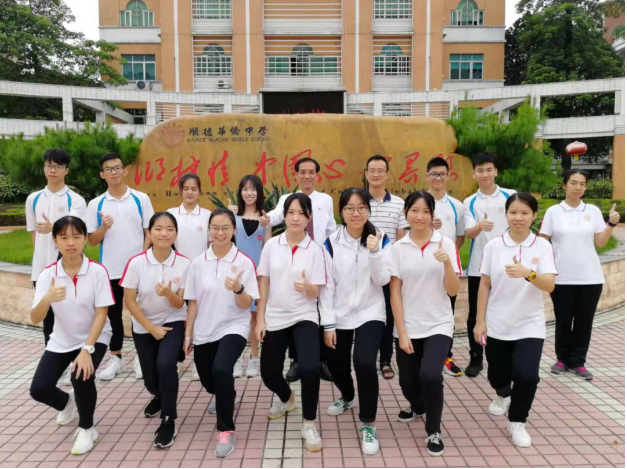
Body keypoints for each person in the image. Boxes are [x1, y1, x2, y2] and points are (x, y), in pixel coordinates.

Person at [474, 193, 557, 448]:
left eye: (524, 213)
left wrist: (528, 273)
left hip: (529, 324)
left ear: (534, 216)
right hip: (497, 323)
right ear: (506, 215)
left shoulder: (542, 246)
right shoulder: (494, 246)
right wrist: (479, 321)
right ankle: (502, 394)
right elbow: (484, 285)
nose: (518, 217)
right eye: (513, 212)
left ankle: (517, 420)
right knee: (497, 374)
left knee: (527, 375)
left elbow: (549, 285)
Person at [29, 216, 113, 455]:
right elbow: (35, 317)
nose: (70, 242)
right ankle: (67, 403)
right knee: (39, 389)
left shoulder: (97, 271)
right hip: (62, 339)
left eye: (76, 236)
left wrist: (87, 349)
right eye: (64, 237)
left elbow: (102, 314)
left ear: (86, 239)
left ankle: (87, 428)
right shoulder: (47, 275)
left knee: (81, 376)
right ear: (55, 241)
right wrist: (47, 299)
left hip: (95, 336)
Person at [183, 208, 260, 458]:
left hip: (234, 326)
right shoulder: (198, 263)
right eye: (215, 228)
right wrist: (188, 335)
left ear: (234, 230)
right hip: (205, 329)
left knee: (221, 369)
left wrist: (238, 288)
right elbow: (193, 302)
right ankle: (227, 394)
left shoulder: (243, 262)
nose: (220, 233)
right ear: (209, 231)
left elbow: (247, 304)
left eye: (225, 228)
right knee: (209, 380)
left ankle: (226, 430)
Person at [320, 188, 391, 456]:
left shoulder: (380, 238)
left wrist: (374, 252)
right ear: (341, 212)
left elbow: (383, 280)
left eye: (361, 207)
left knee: (364, 362)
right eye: (349, 208)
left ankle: (368, 423)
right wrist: (328, 324)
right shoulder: (330, 243)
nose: (356, 213)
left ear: (368, 210)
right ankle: (348, 396)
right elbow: (326, 286)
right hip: (339, 314)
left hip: (370, 312)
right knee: (336, 365)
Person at [390, 191, 461, 457]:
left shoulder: (445, 244)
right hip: (408, 325)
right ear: (406, 213)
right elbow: (395, 293)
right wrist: (402, 332)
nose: (419, 216)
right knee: (407, 383)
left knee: (430, 375)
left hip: (438, 323)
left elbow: (453, 290)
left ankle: (433, 430)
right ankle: (418, 406)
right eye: (414, 210)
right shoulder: (398, 248)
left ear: (432, 215)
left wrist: (447, 264)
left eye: (426, 211)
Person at [256, 193, 327, 453]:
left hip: (304, 315)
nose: (295, 218)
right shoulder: (271, 245)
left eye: (301, 213)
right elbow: (264, 281)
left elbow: (316, 291)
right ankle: (287, 398)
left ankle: (308, 423)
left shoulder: (316, 250)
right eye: (291, 213)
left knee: (309, 368)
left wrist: (308, 287)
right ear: (284, 215)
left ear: (309, 218)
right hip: (275, 315)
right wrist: (260, 319)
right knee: (268, 373)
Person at [260, 157, 336, 382]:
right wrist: (266, 219)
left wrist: (331, 255)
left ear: (317, 176)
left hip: (317, 257)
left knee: (318, 309)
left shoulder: (325, 200)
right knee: (298, 308)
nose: (307, 176)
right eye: (303, 172)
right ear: (296, 175)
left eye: (311, 172)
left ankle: (320, 359)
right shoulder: (287, 199)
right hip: (295, 258)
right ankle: (296, 359)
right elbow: (276, 215)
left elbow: (331, 229)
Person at [540, 170, 620, 381]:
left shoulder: (592, 211)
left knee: (584, 322)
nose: (578, 187)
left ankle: (578, 361)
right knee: (563, 320)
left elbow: (600, 242)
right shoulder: (553, 212)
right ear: (564, 185)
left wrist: (611, 224)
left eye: (582, 184)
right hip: (561, 278)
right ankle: (562, 359)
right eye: (573, 183)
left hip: (590, 278)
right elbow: (542, 241)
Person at [121, 212, 190, 448]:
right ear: (149, 233)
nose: (164, 233)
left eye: (170, 229)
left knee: (166, 365)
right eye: (158, 229)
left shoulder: (184, 264)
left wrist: (169, 294)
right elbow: (129, 301)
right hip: (144, 324)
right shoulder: (136, 263)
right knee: (150, 379)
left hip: (173, 320)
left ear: (176, 234)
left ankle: (169, 419)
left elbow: (180, 304)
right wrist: (150, 328)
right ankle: (159, 395)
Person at [86, 153, 155, 381]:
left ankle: (141, 357)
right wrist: (104, 227)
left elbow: (149, 232)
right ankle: (116, 358)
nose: (113, 172)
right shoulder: (96, 204)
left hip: (138, 269)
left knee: (140, 313)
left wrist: (143, 260)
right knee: (113, 315)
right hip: (110, 269)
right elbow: (92, 240)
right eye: (109, 169)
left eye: (117, 167)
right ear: (102, 175)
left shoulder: (140, 199)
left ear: (125, 171)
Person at [26, 149, 86, 350]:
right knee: (48, 318)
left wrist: (54, 228)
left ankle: (75, 356)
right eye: (49, 166)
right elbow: (33, 234)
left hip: (69, 268)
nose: (53, 170)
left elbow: (75, 231)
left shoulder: (75, 200)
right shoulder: (33, 199)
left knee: (71, 315)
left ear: (66, 170)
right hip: (42, 269)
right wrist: (41, 259)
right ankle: (52, 356)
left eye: (58, 166)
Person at [462, 153, 515, 377]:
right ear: (474, 174)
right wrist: (480, 226)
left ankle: (503, 356)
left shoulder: (510, 196)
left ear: (496, 172)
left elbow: (520, 223)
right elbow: (468, 233)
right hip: (479, 267)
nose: (485, 174)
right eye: (480, 170)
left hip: (508, 267)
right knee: (476, 313)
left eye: (489, 169)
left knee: (505, 310)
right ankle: (476, 358)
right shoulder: (469, 202)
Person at [364, 155, 409, 380]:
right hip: (364, 269)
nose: (376, 174)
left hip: (389, 269)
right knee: (366, 315)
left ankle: (385, 360)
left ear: (387, 174)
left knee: (388, 316)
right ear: (366, 174)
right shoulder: (360, 202)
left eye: (380, 170)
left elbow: (400, 239)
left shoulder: (399, 204)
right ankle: (366, 358)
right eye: (372, 170)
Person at [167, 173, 211, 381]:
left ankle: (198, 362)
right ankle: (177, 359)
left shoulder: (207, 216)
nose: (190, 192)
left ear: (200, 191)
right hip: (176, 274)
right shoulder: (171, 214)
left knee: (200, 317)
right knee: (177, 317)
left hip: (200, 274)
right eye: (186, 189)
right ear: (180, 191)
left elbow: (211, 246)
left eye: (194, 189)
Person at [426, 156, 465, 378]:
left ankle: (446, 356)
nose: (438, 178)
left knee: (447, 312)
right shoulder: (419, 201)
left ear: (448, 176)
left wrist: (450, 258)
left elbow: (460, 236)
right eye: (434, 174)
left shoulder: (456, 205)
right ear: (427, 176)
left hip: (447, 270)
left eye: (442, 174)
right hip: (421, 269)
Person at [232, 175, 272, 379]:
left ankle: (255, 358)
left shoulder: (265, 220)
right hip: (236, 278)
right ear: (240, 192)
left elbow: (268, 250)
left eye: (253, 189)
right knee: (237, 317)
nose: (249, 193)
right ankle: (237, 358)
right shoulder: (234, 218)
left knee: (255, 318)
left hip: (257, 278)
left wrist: (264, 276)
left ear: (259, 193)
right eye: (245, 189)